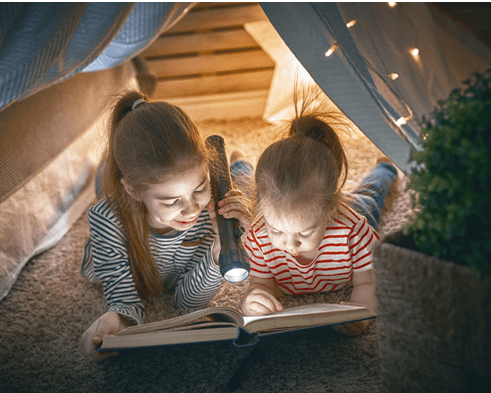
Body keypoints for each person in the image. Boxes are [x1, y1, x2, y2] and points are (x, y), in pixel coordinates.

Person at [80, 91, 252, 361]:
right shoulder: (106, 219)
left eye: (200, 188)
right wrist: (116, 321)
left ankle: (237, 165)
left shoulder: (210, 211)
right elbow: (124, 299)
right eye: (171, 201)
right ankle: (109, 166)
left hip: (173, 187)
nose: (191, 209)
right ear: (134, 190)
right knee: (103, 182)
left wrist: (220, 251)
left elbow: (186, 302)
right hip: (120, 199)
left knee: (245, 187)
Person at [241, 90, 398, 336]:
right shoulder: (258, 236)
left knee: (370, 194)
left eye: (304, 232)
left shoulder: (353, 230)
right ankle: (240, 164)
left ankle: (385, 167)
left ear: (330, 210)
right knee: (241, 182)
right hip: (264, 195)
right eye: (277, 231)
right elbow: (261, 282)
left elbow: (369, 281)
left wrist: (361, 313)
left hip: (355, 208)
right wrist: (255, 298)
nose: (290, 245)